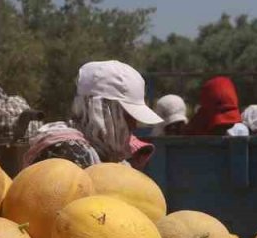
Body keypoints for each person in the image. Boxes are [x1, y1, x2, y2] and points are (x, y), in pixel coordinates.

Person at [23, 60, 163, 169]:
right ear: (101, 112)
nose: (134, 125)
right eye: (127, 116)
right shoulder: (67, 151)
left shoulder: (108, 153)